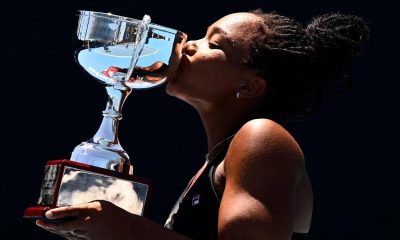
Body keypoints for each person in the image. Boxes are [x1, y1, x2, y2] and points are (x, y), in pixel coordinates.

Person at [36, 9, 368, 240]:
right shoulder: (218, 160)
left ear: (250, 86)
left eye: (214, 43)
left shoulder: (262, 138)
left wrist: (126, 229)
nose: (188, 45)